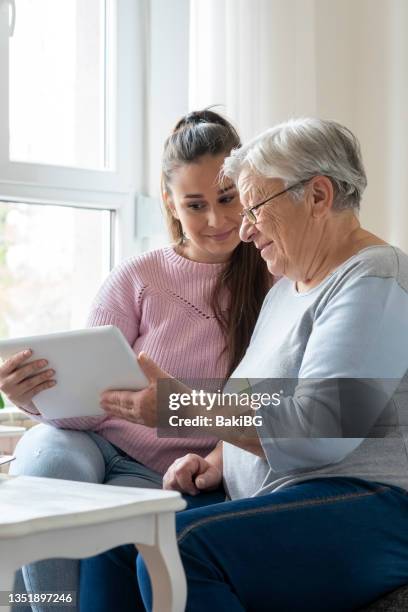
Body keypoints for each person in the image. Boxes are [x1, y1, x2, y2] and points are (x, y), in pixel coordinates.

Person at [82, 118, 408, 612]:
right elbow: (249, 406)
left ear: (318, 196)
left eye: (254, 205)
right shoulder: (285, 292)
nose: (246, 227)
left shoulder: (375, 277)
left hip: (370, 505)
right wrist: (214, 461)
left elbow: (323, 426)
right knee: (113, 536)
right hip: (280, 497)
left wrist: (182, 408)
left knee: (180, 547)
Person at [0, 109, 270, 611]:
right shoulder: (136, 277)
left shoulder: (273, 277)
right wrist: (35, 398)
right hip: (100, 445)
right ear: (170, 203)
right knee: (46, 455)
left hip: (183, 469)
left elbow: (267, 412)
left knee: (110, 533)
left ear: (246, 187)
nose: (216, 219)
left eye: (227, 198)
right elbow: (89, 405)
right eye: (195, 204)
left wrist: (212, 456)